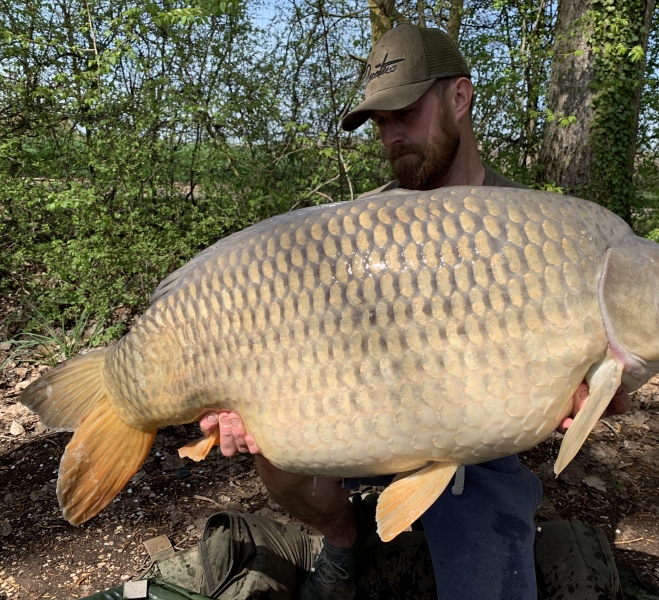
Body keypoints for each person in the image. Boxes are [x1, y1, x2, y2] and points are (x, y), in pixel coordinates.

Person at [199, 24, 630, 600]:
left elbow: (597, 373)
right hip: (366, 424)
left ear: (459, 97)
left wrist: (588, 391)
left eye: (404, 112)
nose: (392, 136)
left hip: (474, 450)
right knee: (280, 460)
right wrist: (243, 400)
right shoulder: (361, 228)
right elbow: (296, 340)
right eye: (380, 123)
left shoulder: (533, 232)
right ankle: (344, 542)